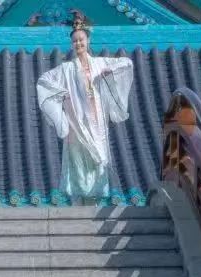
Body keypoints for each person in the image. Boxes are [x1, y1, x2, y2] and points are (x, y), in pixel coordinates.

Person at [36, 17, 134, 204]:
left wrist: (109, 72)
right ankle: (80, 199)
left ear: (88, 41)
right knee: (79, 160)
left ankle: (94, 197)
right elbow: (44, 81)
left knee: (97, 158)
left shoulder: (99, 63)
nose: (78, 43)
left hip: (97, 121)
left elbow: (126, 63)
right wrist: (62, 93)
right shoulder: (66, 69)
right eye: (75, 41)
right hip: (77, 122)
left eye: (81, 39)